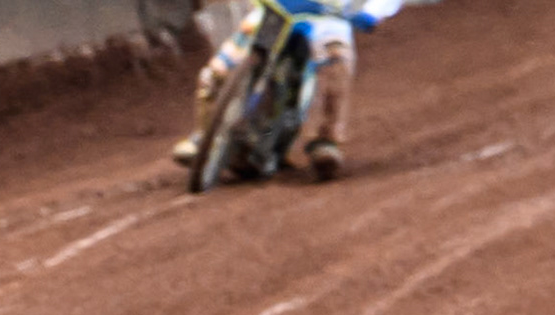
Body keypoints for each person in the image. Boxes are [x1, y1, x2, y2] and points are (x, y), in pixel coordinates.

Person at [172, 0, 403, 180]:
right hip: (276, 8)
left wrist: (373, 12)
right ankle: (206, 135)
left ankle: (325, 139)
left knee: (336, 60)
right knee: (219, 70)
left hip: (328, 16)